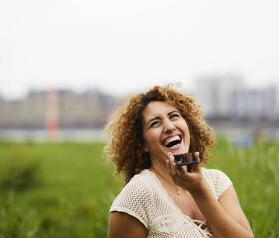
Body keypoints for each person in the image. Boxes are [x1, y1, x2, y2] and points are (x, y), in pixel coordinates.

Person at [106, 85, 254, 238]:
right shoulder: (136, 195)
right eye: (155, 123)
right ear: (143, 144)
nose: (169, 126)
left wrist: (200, 190)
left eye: (174, 116)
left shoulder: (218, 182)